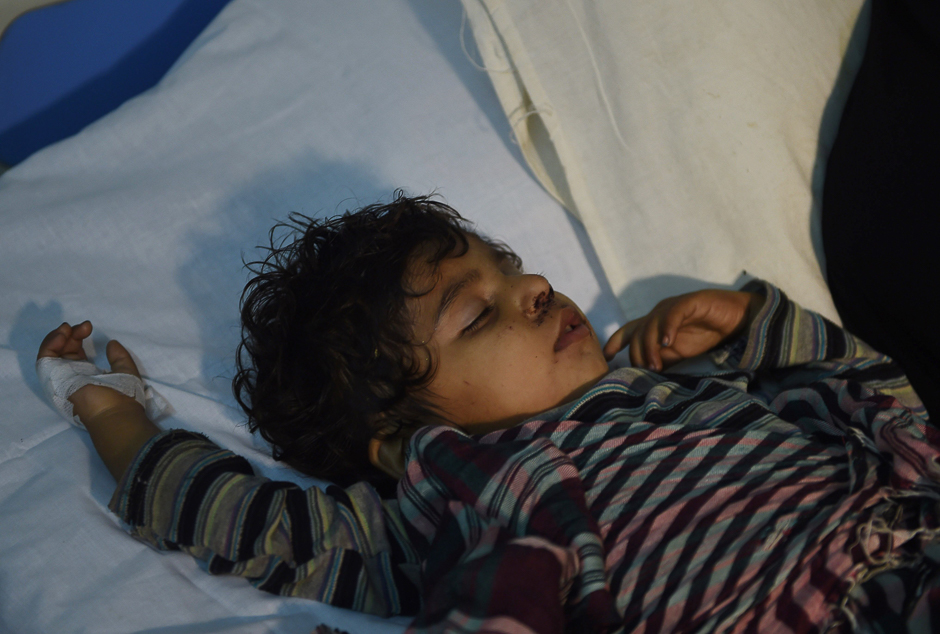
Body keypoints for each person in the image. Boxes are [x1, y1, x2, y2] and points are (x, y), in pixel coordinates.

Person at [36, 194, 940, 633]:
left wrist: (765, 330)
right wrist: (110, 410)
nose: (535, 289)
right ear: (400, 446)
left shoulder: (690, 385)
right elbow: (247, 524)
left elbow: (881, 412)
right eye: (481, 312)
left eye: (514, 271)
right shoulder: (443, 504)